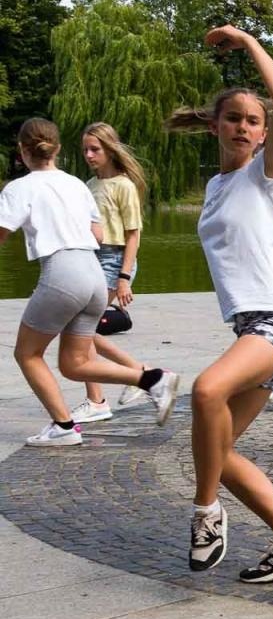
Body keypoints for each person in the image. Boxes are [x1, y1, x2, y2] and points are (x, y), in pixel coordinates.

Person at [168, 26, 273, 582]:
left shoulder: (269, 174)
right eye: (233, 118)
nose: (243, 126)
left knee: (206, 390)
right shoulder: (217, 188)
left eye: (252, 121)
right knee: (218, 448)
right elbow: (259, 244)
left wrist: (247, 39)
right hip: (256, 324)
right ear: (214, 126)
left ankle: (206, 512)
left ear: (266, 135)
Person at [2, 118, 180, 450]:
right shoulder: (76, 184)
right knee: (75, 363)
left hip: (62, 273)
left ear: (23, 151)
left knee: (27, 353)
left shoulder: (19, 187)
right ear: (56, 149)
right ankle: (153, 379)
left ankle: (63, 425)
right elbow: (98, 234)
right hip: (93, 276)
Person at [75, 122, 159, 421]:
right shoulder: (89, 185)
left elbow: (133, 235)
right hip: (92, 257)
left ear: (110, 150)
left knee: (80, 331)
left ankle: (136, 378)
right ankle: (125, 383)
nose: (89, 154)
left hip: (115, 260)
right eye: (85, 149)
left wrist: (124, 279)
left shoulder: (124, 186)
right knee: (80, 332)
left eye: (95, 149)